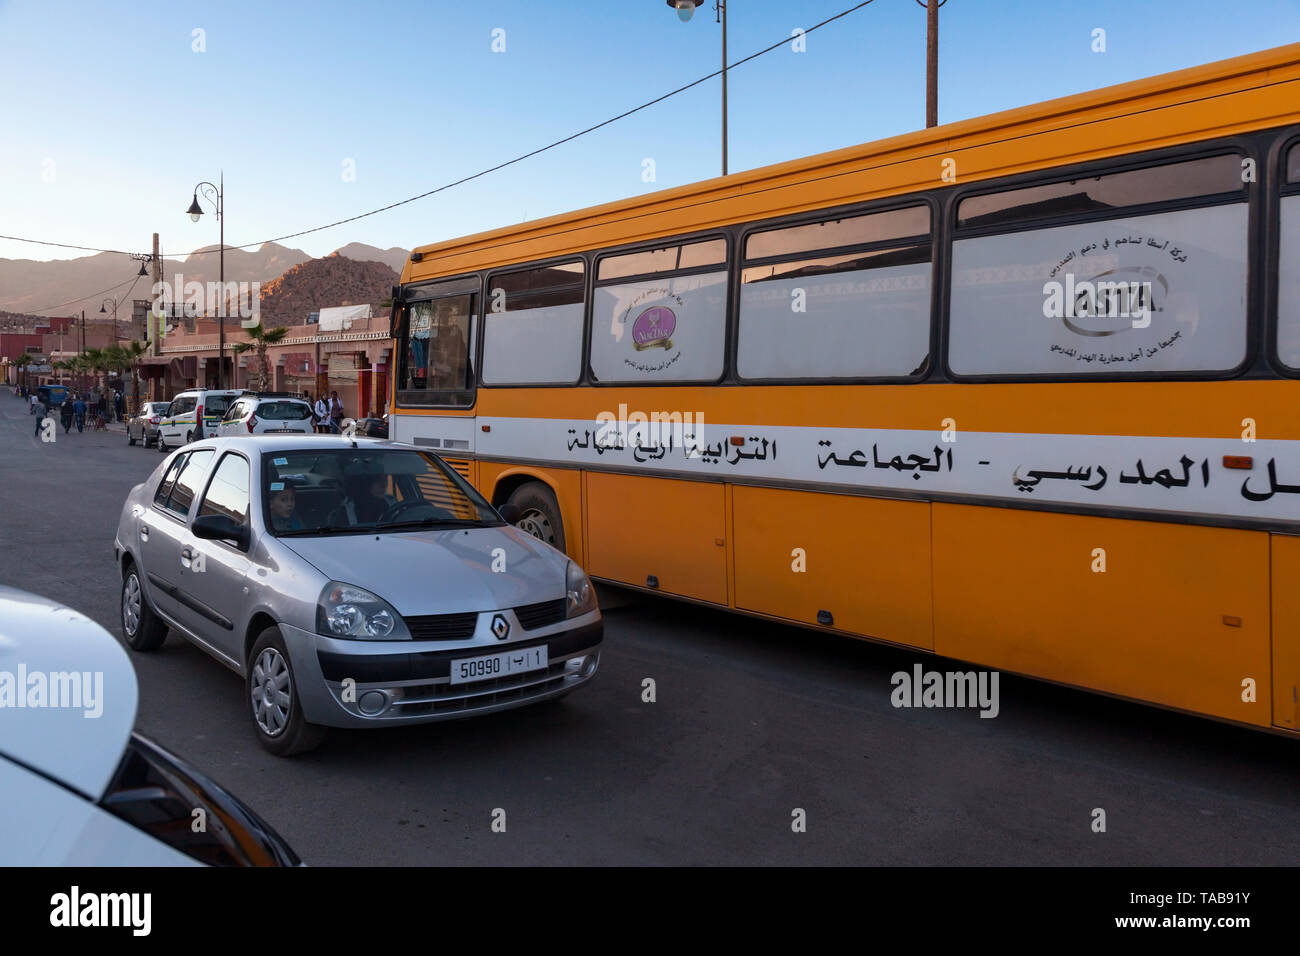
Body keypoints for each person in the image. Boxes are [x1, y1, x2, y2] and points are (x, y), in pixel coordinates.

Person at [328, 474, 395, 526]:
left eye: (385, 479)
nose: (384, 485)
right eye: (378, 480)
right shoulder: (346, 511)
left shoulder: (392, 503)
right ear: (366, 484)